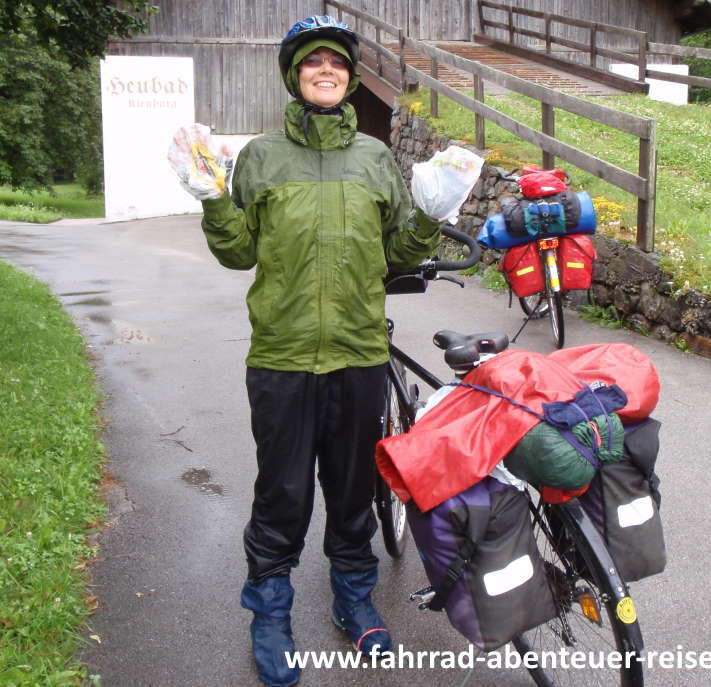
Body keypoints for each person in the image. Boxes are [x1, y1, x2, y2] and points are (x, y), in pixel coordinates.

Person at [167, 15, 481, 687]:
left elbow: (397, 253)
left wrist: (429, 214)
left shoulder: (372, 158)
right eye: (312, 62)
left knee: (350, 489)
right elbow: (237, 253)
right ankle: (270, 612)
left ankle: (353, 596)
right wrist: (212, 201)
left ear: (345, 76)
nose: (326, 71)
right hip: (280, 355)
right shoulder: (259, 158)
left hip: (357, 352)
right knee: (281, 492)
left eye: (335, 62)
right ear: (294, 74)